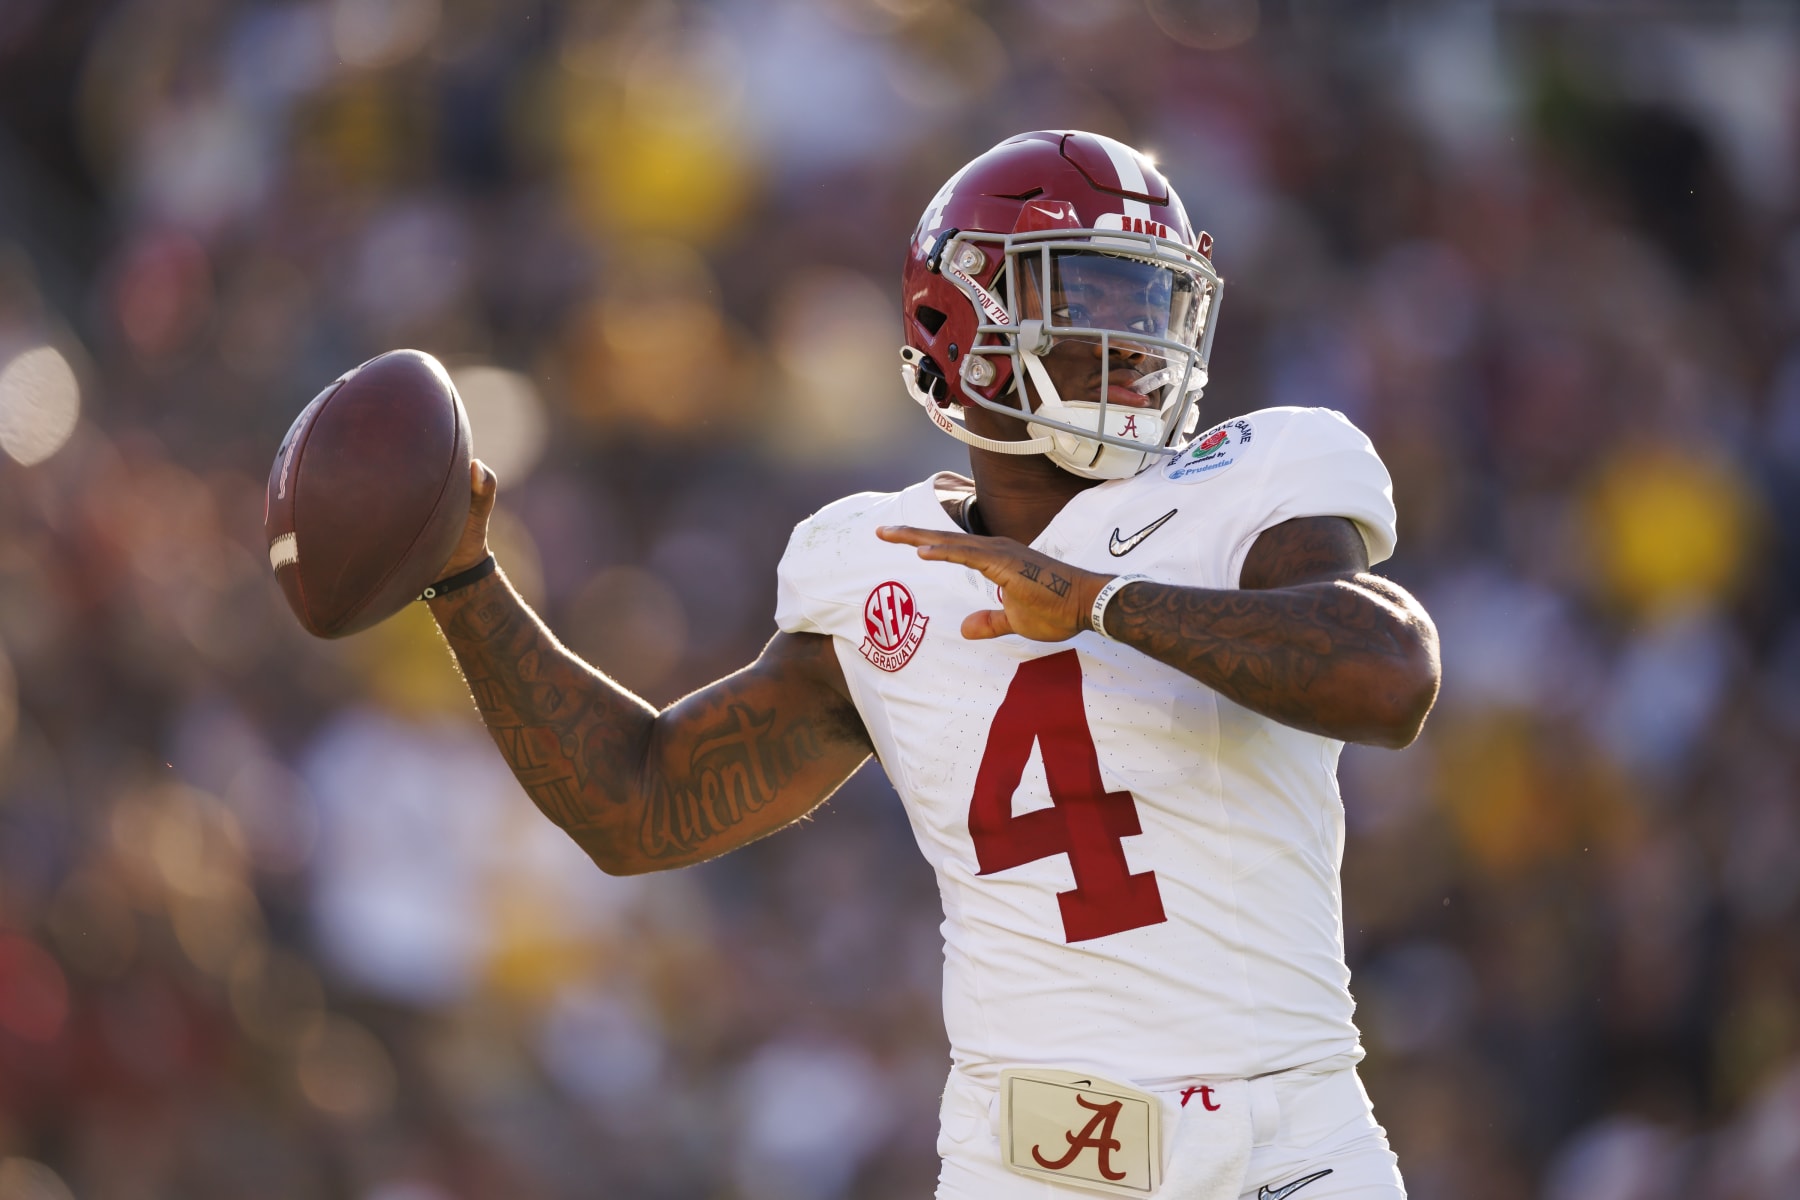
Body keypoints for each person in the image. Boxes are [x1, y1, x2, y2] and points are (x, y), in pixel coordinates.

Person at [423, 131, 1440, 1200]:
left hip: (1286, 1139)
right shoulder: (881, 568)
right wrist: (464, 586)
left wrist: (1099, 605)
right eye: (1092, 292)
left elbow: (1387, 680)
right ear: (962, 324)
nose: (1139, 339)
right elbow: (639, 808)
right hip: (1040, 1160)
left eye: (1155, 300)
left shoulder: (1250, 482)